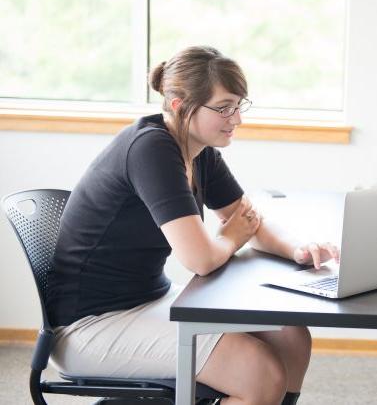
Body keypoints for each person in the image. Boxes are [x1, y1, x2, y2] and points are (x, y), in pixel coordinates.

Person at [46, 46, 337, 405]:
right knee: (260, 373)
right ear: (181, 105)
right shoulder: (151, 149)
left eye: (239, 106)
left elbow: (248, 220)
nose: (236, 119)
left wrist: (298, 248)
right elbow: (201, 259)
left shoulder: (200, 150)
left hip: (148, 298)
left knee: (290, 336)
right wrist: (231, 238)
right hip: (92, 326)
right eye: (223, 108)